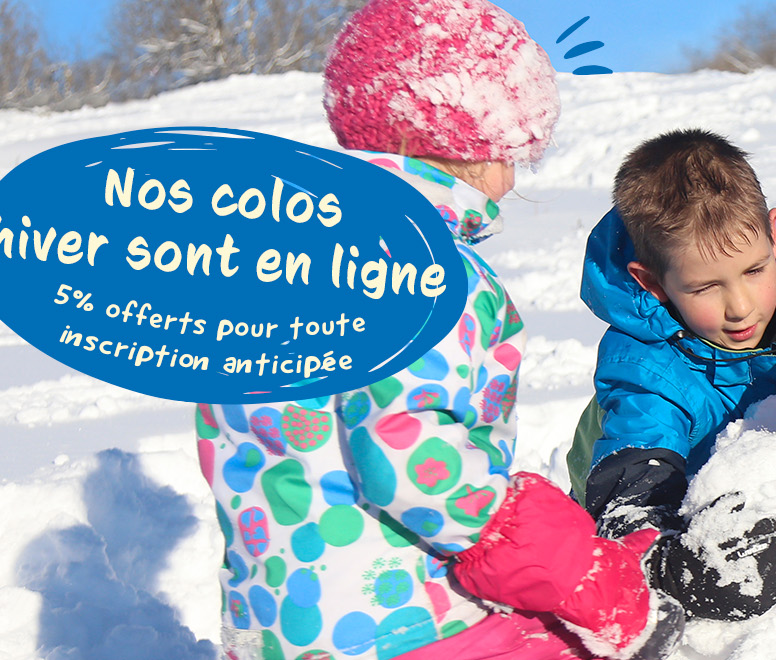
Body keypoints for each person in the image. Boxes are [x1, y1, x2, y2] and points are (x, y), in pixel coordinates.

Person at [196, 1, 678, 658]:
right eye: (512, 150)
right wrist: (582, 574)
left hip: (275, 624)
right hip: (407, 625)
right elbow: (419, 464)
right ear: (480, 147)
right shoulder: (424, 271)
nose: (512, 177)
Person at [568, 128, 776, 621]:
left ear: (773, 235)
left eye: (755, 271)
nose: (740, 307)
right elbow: (629, 511)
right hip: (627, 476)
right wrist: (689, 568)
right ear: (651, 283)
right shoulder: (647, 377)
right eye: (705, 287)